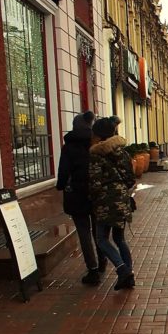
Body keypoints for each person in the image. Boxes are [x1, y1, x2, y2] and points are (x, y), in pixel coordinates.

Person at [56, 111, 105, 286]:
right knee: (97, 230)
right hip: (95, 192)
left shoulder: (69, 146)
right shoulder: (96, 143)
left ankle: (92, 269)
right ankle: (102, 261)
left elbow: (63, 170)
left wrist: (61, 185)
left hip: (76, 194)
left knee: (84, 232)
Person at [89, 117, 136, 290]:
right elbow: (131, 178)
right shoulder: (122, 152)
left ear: (99, 135)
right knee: (119, 238)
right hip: (122, 200)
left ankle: (122, 269)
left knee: (101, 239)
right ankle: (129, 275)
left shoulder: (96, 154)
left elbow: (94, 183)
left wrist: (93, 198)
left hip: (105, 203)